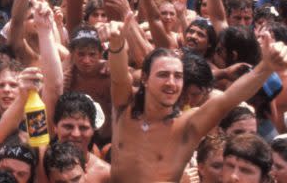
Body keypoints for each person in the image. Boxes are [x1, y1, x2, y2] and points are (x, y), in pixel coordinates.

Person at [106, 15, 287, 182]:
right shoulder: (125, 107)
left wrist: (266, 67)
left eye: (177, 76)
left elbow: (229, 99)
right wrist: (116, 44)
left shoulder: (188, 125)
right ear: (145, 78)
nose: (171, 83)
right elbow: (119, 77)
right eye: (163, 75)